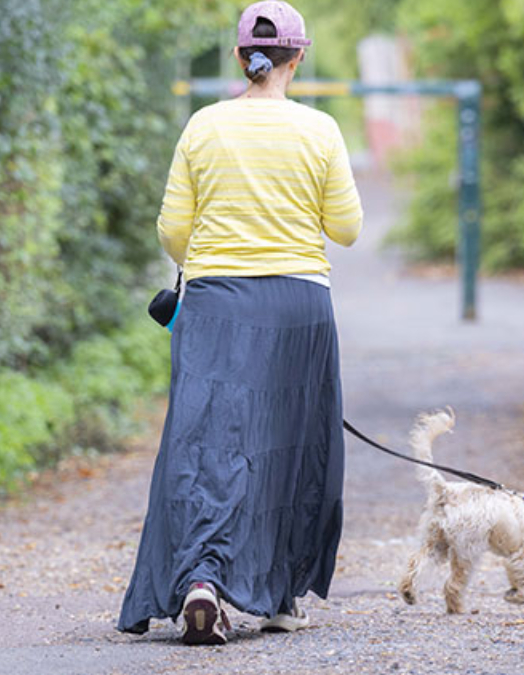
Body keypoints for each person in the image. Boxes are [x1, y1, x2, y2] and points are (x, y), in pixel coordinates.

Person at [116, 0, 363, 646]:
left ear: (239, 57)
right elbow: (346, 228)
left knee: (208, 445)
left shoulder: (204, 126)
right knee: (290, 443)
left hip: (216, 305)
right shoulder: (320, 131)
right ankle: (280, 595)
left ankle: (202, 579)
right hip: (298, 305)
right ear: (297, 58)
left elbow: (173, 230)